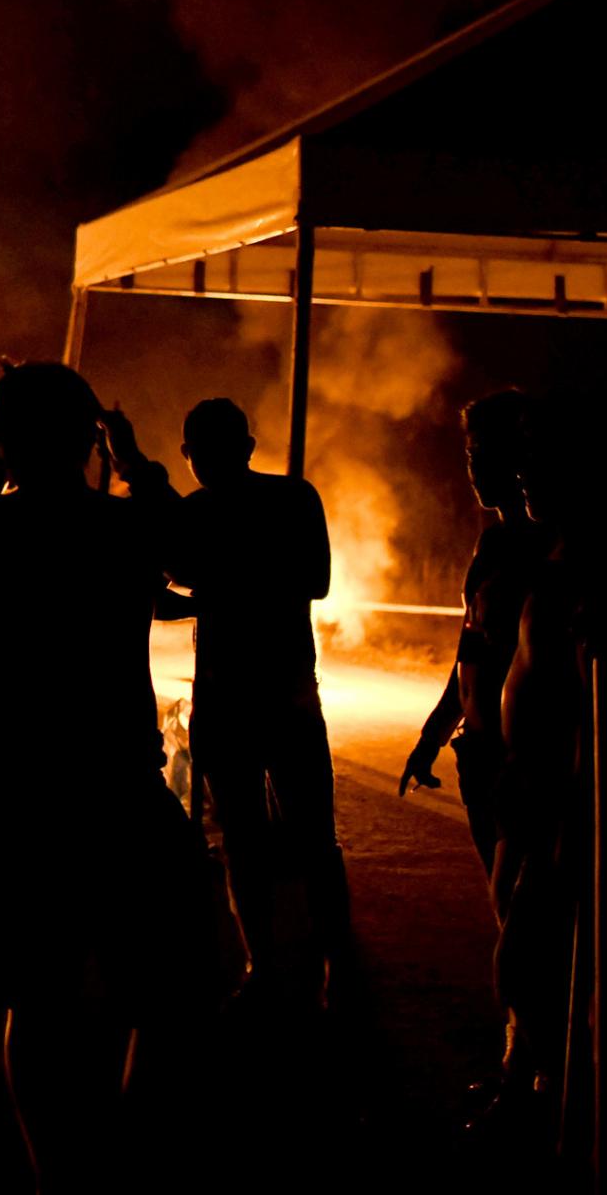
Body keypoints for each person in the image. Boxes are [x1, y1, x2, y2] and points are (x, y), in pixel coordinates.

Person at [0, 362, 215, 1192]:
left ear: (6, 441)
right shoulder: (120, 531)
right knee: (168, 991)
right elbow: (203, 559)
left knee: (34, 1006)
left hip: (27, 795)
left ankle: (57, 1179)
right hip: (119, 788)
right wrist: (138, 460)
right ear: (87, 437)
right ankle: (122, 1161)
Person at [486, 396, 607, 1150]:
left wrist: (565, 816)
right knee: (548, 970)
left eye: (540, 458)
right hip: (552, 798)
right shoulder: (561, 551)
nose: (523, 470)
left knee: (551, 970)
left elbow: (602, 703)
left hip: (588, 798)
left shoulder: (603, 562)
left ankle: (598, 1124)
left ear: (585, 473)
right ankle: (565, 1104)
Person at [163, 397, 347, 1005]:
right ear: (250, 444)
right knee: (304, 836)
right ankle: (323, 968)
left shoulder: (199, 512)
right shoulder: (295, 499)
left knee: (251, 839)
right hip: (284, 695)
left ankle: (269, 967)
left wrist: (212, 592)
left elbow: (173, 588)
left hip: (236, 697)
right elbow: (309, 581)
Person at [402, 390, 544, 879]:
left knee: (524, 905)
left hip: (525, 763)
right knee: (507, 902)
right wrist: (435, 732)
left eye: (487, 453)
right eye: (470, 454)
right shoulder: (493, 542)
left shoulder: (548, 549)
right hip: (481, 754)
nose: (475, 468)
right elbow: (473, 649)